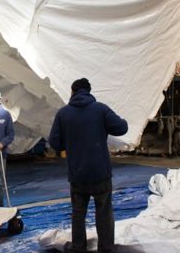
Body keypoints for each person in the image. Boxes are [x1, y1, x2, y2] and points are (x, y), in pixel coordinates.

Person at [48, 78, 128, 253]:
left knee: (78, 213)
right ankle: (106, 248)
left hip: (77, 174)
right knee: (104, 213)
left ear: (72, 92)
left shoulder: (63, 113)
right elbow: (122, 128)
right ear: (89, 91)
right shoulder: (100, 109)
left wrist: (68, 143)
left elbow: (54, 142)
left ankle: (78, 248)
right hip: (100, 173)